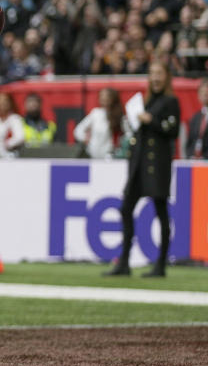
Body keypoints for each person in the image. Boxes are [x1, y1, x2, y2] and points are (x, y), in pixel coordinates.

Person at [105, 60, 179, 278]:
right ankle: (124, 262)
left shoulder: (170, 101)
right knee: (126, 208)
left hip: (157, 165)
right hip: (139, 165)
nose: (155, 78)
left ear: (166, 77)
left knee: (161, 211)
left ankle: (161, 265)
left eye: (159, 73)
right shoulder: (146, 101)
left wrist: (151, 120)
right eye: (152, 73)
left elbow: (172, 130)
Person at [74, 87, 124, 159]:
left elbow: (126, 136)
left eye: (107, 96)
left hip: (110, 157)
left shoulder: (120, 116)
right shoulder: (96, 113)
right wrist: (85, 138)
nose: (104, 98)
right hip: (93, 155)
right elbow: (78, 130)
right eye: (102, 96)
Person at [184, 78, 208, 159]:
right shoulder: (195, 118)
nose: (205, 95)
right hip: (194, 162)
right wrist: (190, 155)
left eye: (207, 92)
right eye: (202, 92)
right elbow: (190, 141)